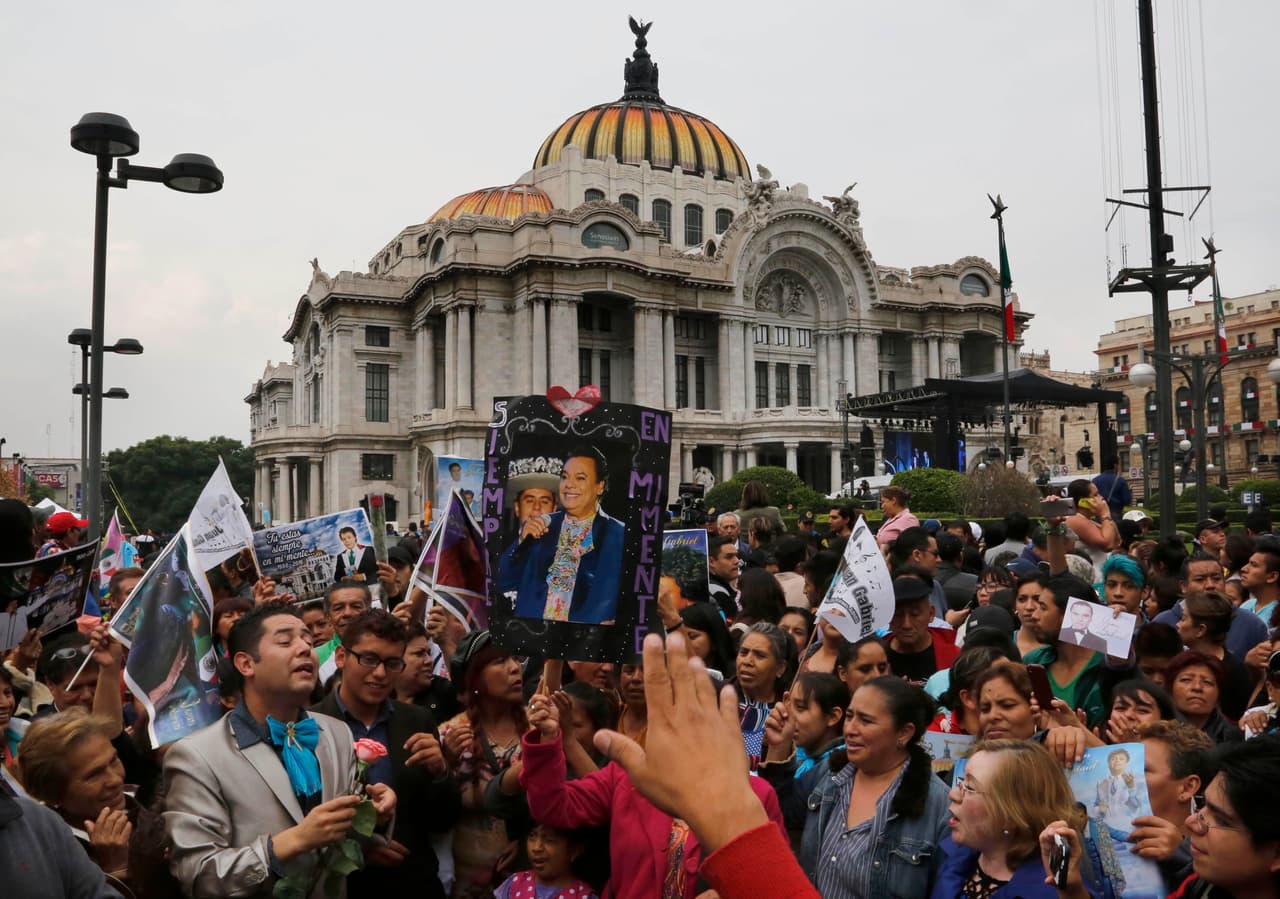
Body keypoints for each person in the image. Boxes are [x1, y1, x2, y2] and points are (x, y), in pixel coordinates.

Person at [162, 601, 396, 898]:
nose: (304, 649)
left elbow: (343, 841)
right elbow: (200, 876)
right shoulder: (197, 756)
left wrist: (373, 815)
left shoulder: (335, 733)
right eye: (285, 641)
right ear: (246, 664)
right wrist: (292, 842)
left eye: (308, 640)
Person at [520, 678, 787, 899]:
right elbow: (552, 807)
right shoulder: (627, 776)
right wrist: (548, 738)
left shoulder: (755, 795)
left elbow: (777, 883)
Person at [312, 610, 461, 898]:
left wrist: (440, 772)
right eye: (368, 659)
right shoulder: (311, 725)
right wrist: (354, 850)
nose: (380, 673)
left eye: (392, 663)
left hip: (412, 882)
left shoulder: (416, 722)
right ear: (341, 657)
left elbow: (443, 819)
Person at [1042, 735, 1280, 899]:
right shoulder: (1199, 886)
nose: (1192, 822)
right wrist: (1072, 888)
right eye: (1204, 807)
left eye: (1221, 820)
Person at [804, 676, 951, 895]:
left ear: (904, 733)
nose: (850, 730)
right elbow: (780, 811)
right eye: (850, 716)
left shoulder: (939, 807)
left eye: (865, 721)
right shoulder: (831, 773)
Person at [933, 740, 1086, 899]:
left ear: (1014, 814)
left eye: (970, 788)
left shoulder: (1057, 889)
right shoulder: (953, 856)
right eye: (961, 782)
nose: (953, 794)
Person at [439, 630, 526, 897]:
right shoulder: (450, 735)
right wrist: (446, 763)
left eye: (515, 659)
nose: (514, 668)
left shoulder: (538, 729)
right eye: (500, 661)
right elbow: (436, 813)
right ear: (474, 678)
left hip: (531, 876)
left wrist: (527, 840)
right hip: (469, 884)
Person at [499, 446, 625, 625]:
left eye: (580, 478)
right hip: (533, 641)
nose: (569, 484)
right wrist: (521, 542)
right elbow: (502, 582)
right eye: (564, 477)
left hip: (586, 646)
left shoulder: (619, 535)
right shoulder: (542, 526)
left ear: (600, 486)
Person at [759, 672, 850, 845]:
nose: (789, 716)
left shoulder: (837, 767)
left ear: (833, 716)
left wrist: (779, 746)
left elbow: (784, 816)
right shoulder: (798, 753)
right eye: (789, 705)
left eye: (800, 708)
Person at [1131, 720, 1214, 892]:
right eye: (1128, 768)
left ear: (1187, 787)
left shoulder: (1216, 864)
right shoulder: (1105, 838)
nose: (1127, 777)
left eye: (1142, 769)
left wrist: (1182, 860)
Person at [1177, 591, 1254, 720]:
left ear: (1201, 630)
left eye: (1183, 619)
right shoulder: (1179, 661)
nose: (1178, 625)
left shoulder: (1234, 671)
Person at [735, 622, 797, 768]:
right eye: (743, 652)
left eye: (760, 655)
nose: (747, 661)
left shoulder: (784, 714)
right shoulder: (718, 694)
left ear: (780, 668)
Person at [886, 572, 960, 686]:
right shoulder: (876, 657)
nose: (907, 625)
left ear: (931, 614)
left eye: (915, 614)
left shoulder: (954, 658)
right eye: (898, 614)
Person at [493, 823, 598, 899]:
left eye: (549, 840)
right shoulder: (514, 884)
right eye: (532, 836)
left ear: (574, 851)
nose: (536, 848)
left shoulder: (583, 896)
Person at [1165, 650, 1243, 744]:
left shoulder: (1235, 738)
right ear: (1170, 689)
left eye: (1207, 682)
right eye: (1186, 680)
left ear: (1219, 695)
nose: (1197, 687)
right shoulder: (1150, 729)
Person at [315, 581, 371, 685]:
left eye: (356, 606)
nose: (347, 613)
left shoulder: (385, 648)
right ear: (328, 617)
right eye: (338, 608)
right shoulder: (314, 657)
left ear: (369, 610)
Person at [974, 664, 1039, 741]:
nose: (992, 716)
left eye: (1007, 705)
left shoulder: (1055, 751)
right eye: (985, 709)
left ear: (1036, 709)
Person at [675, 601, 736, 677]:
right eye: (680, 638)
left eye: (692, 637)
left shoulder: (736, 680)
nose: (683, 644)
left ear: (714, 639)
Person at [706, 535, 741, 619]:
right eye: (729, 557)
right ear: (711, 561)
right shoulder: (717, 593)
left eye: (736, 555)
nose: (736, 561)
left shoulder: (722, 587)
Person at [1092, 457, 1133, 522]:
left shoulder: (1095, 480)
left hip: (1099, 515)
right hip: (1115, 514)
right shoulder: (1120, 480)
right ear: (1115, 465)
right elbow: (1127, 500)